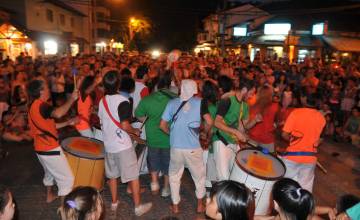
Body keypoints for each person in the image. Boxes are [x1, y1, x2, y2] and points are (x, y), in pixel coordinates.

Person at [97, 71, 152, 216]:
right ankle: (138, 207)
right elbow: (125, 125)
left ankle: (114, 203)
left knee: (112, 176)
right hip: (122, 145)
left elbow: (102, 122)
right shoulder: (123, 101)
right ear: (118, 84)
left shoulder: (102, 101)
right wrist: (135, 131)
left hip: (109, 144)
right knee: (133, 176)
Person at [27, 79, 78, 203]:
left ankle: (49, 196)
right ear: (41, 91)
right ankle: (66, 212)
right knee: (67, 180)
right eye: (46, 87)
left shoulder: (33, 105)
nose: (49, 89)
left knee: (49, 173)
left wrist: (68, 122)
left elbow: (48, 127)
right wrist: (72, 99)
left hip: (40, 149)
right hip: (49, 148)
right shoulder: (42, 105)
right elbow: (58, 114)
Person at [160, 79, 206, 214]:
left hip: (176, 148)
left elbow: (162, 125)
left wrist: (172, 134)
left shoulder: (172, 103)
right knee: (199, 177)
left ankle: (175, 206)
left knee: (174, 176)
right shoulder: (200, 103)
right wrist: (205, 133)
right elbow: (209, 121)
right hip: (193, 148)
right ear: (194, 89)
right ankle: (199, 205)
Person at [135, 73, 176, 196]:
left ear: (156, 85)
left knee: (153, 160)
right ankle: (165, 188)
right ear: (168, 85)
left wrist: (147, 121)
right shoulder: (175, 98)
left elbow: (138, 114)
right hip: (169, 137)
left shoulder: (148, 99)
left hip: (152, 136)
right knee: (168, 163)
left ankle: (154, 184)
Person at [280, 99, 326, 192]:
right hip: (310, 159)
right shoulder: (322, 118)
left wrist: (294, 141)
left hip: (291, 158)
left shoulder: (296, 113)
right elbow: (321, 139)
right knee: (304, 190)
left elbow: (284, 134)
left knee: (284, 187)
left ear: (304, 98)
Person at [213, 76, 248, 181]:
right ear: (245, 90)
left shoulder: (244, 105)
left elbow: (240, 126)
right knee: (224, 178)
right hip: (221, 141)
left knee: (235, 175)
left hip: (233, 142)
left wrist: (242, 135)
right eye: (251, 93)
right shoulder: (227, 100)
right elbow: (216, 122)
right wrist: (236, 132)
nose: (252, 96)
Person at [248, 85, 280, 152]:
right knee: (267, 160)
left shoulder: (252, 106)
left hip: (253, 137)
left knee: (250, 160)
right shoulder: (275, 106)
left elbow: (248, 123)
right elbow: (277, 122)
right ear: (270, 95)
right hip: (267, 138)